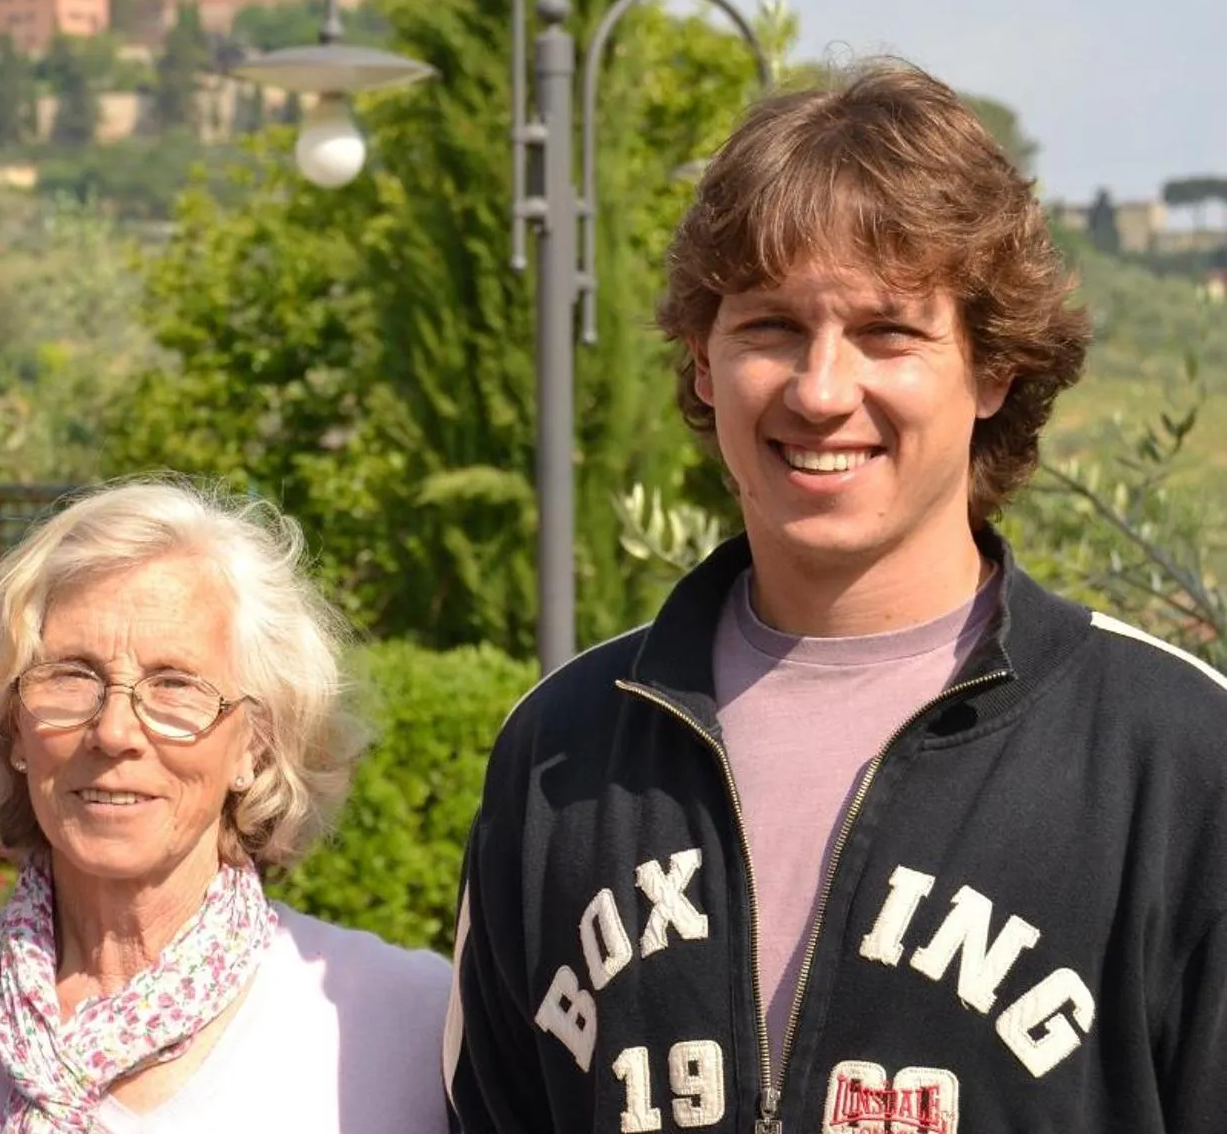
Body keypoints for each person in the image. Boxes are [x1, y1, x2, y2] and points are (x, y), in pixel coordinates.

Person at [445, 64, 1227, 1131]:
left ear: (993, 368)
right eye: (769, 327)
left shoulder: (1175, 755)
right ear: (704, 362)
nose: (820, 391)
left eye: (888, 334)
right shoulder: (561, 747)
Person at [0, 480, 452, 1134]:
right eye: (72, 675)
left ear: (255, 745)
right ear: (12, 726)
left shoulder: (396, 1024)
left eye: (175, 685)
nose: (116, 732)